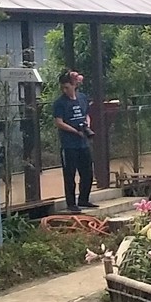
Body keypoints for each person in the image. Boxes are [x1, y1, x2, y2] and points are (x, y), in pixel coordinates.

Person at [53, 69, 94, 212]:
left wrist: (87, 125)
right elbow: (59, 122)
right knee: (70, 174)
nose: (65, 90)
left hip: (83, 143)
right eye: (63, 88)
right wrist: (74, 131)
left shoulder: (82, 98)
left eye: (67, 87)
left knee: (87, 172)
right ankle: (71, 203)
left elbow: (86, 114)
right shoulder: (60, 103)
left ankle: (84, 199)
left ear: (74, 85)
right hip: (69, 144)